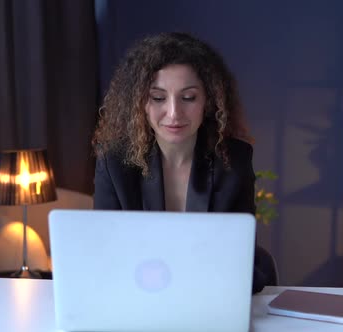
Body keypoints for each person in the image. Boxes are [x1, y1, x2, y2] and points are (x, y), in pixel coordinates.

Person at [92, 32, 269, 293]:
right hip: (136, 299)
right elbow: (104, 259)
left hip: (208, 298)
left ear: (208, 101)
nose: (174, 114)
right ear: (140, 103)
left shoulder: (234, 161)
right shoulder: (114, 162)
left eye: (188, 98)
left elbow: (243, 265)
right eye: (158, 97)